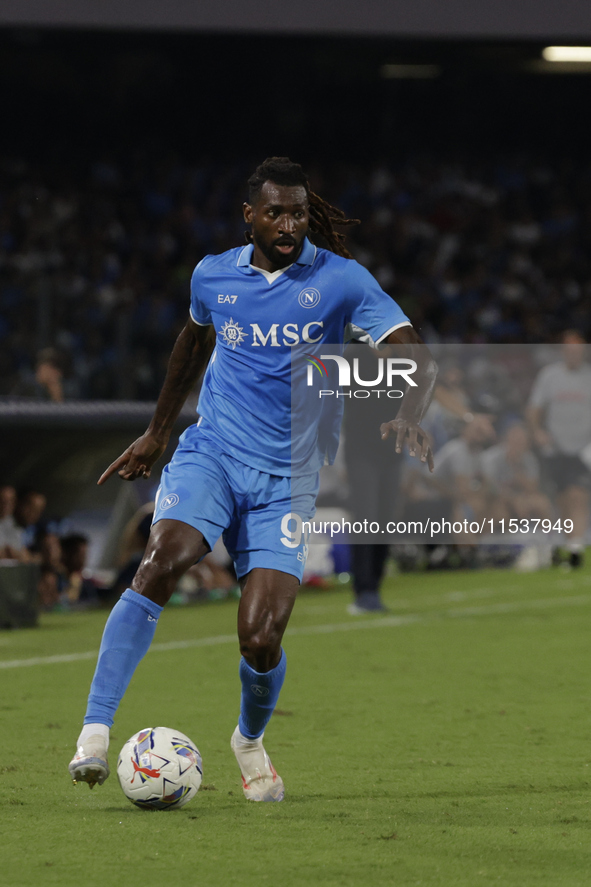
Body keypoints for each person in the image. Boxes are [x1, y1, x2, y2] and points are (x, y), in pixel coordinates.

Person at [68, 157, 437, 801]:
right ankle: (95, 733)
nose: (288, 223)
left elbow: (413, 352)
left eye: (297, 211)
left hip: (287, 479)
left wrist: (409, 410)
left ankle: (248, 740)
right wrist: (158, 432)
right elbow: (190, 343)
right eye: (275, 212)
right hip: (213, 452)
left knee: (262, 638)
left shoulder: (341, 281)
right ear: (251, 216)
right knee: (164, 557)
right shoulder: (213, 276)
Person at [527, 330, 591, 568]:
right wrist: (537, 432)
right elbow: (534, 409)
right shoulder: (549, 376)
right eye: (570, 349)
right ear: (563, 351)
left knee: (578, 495)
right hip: (554, 448)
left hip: (583, 449)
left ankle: (575, 549)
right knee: (560, 498)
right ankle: (564, 544)